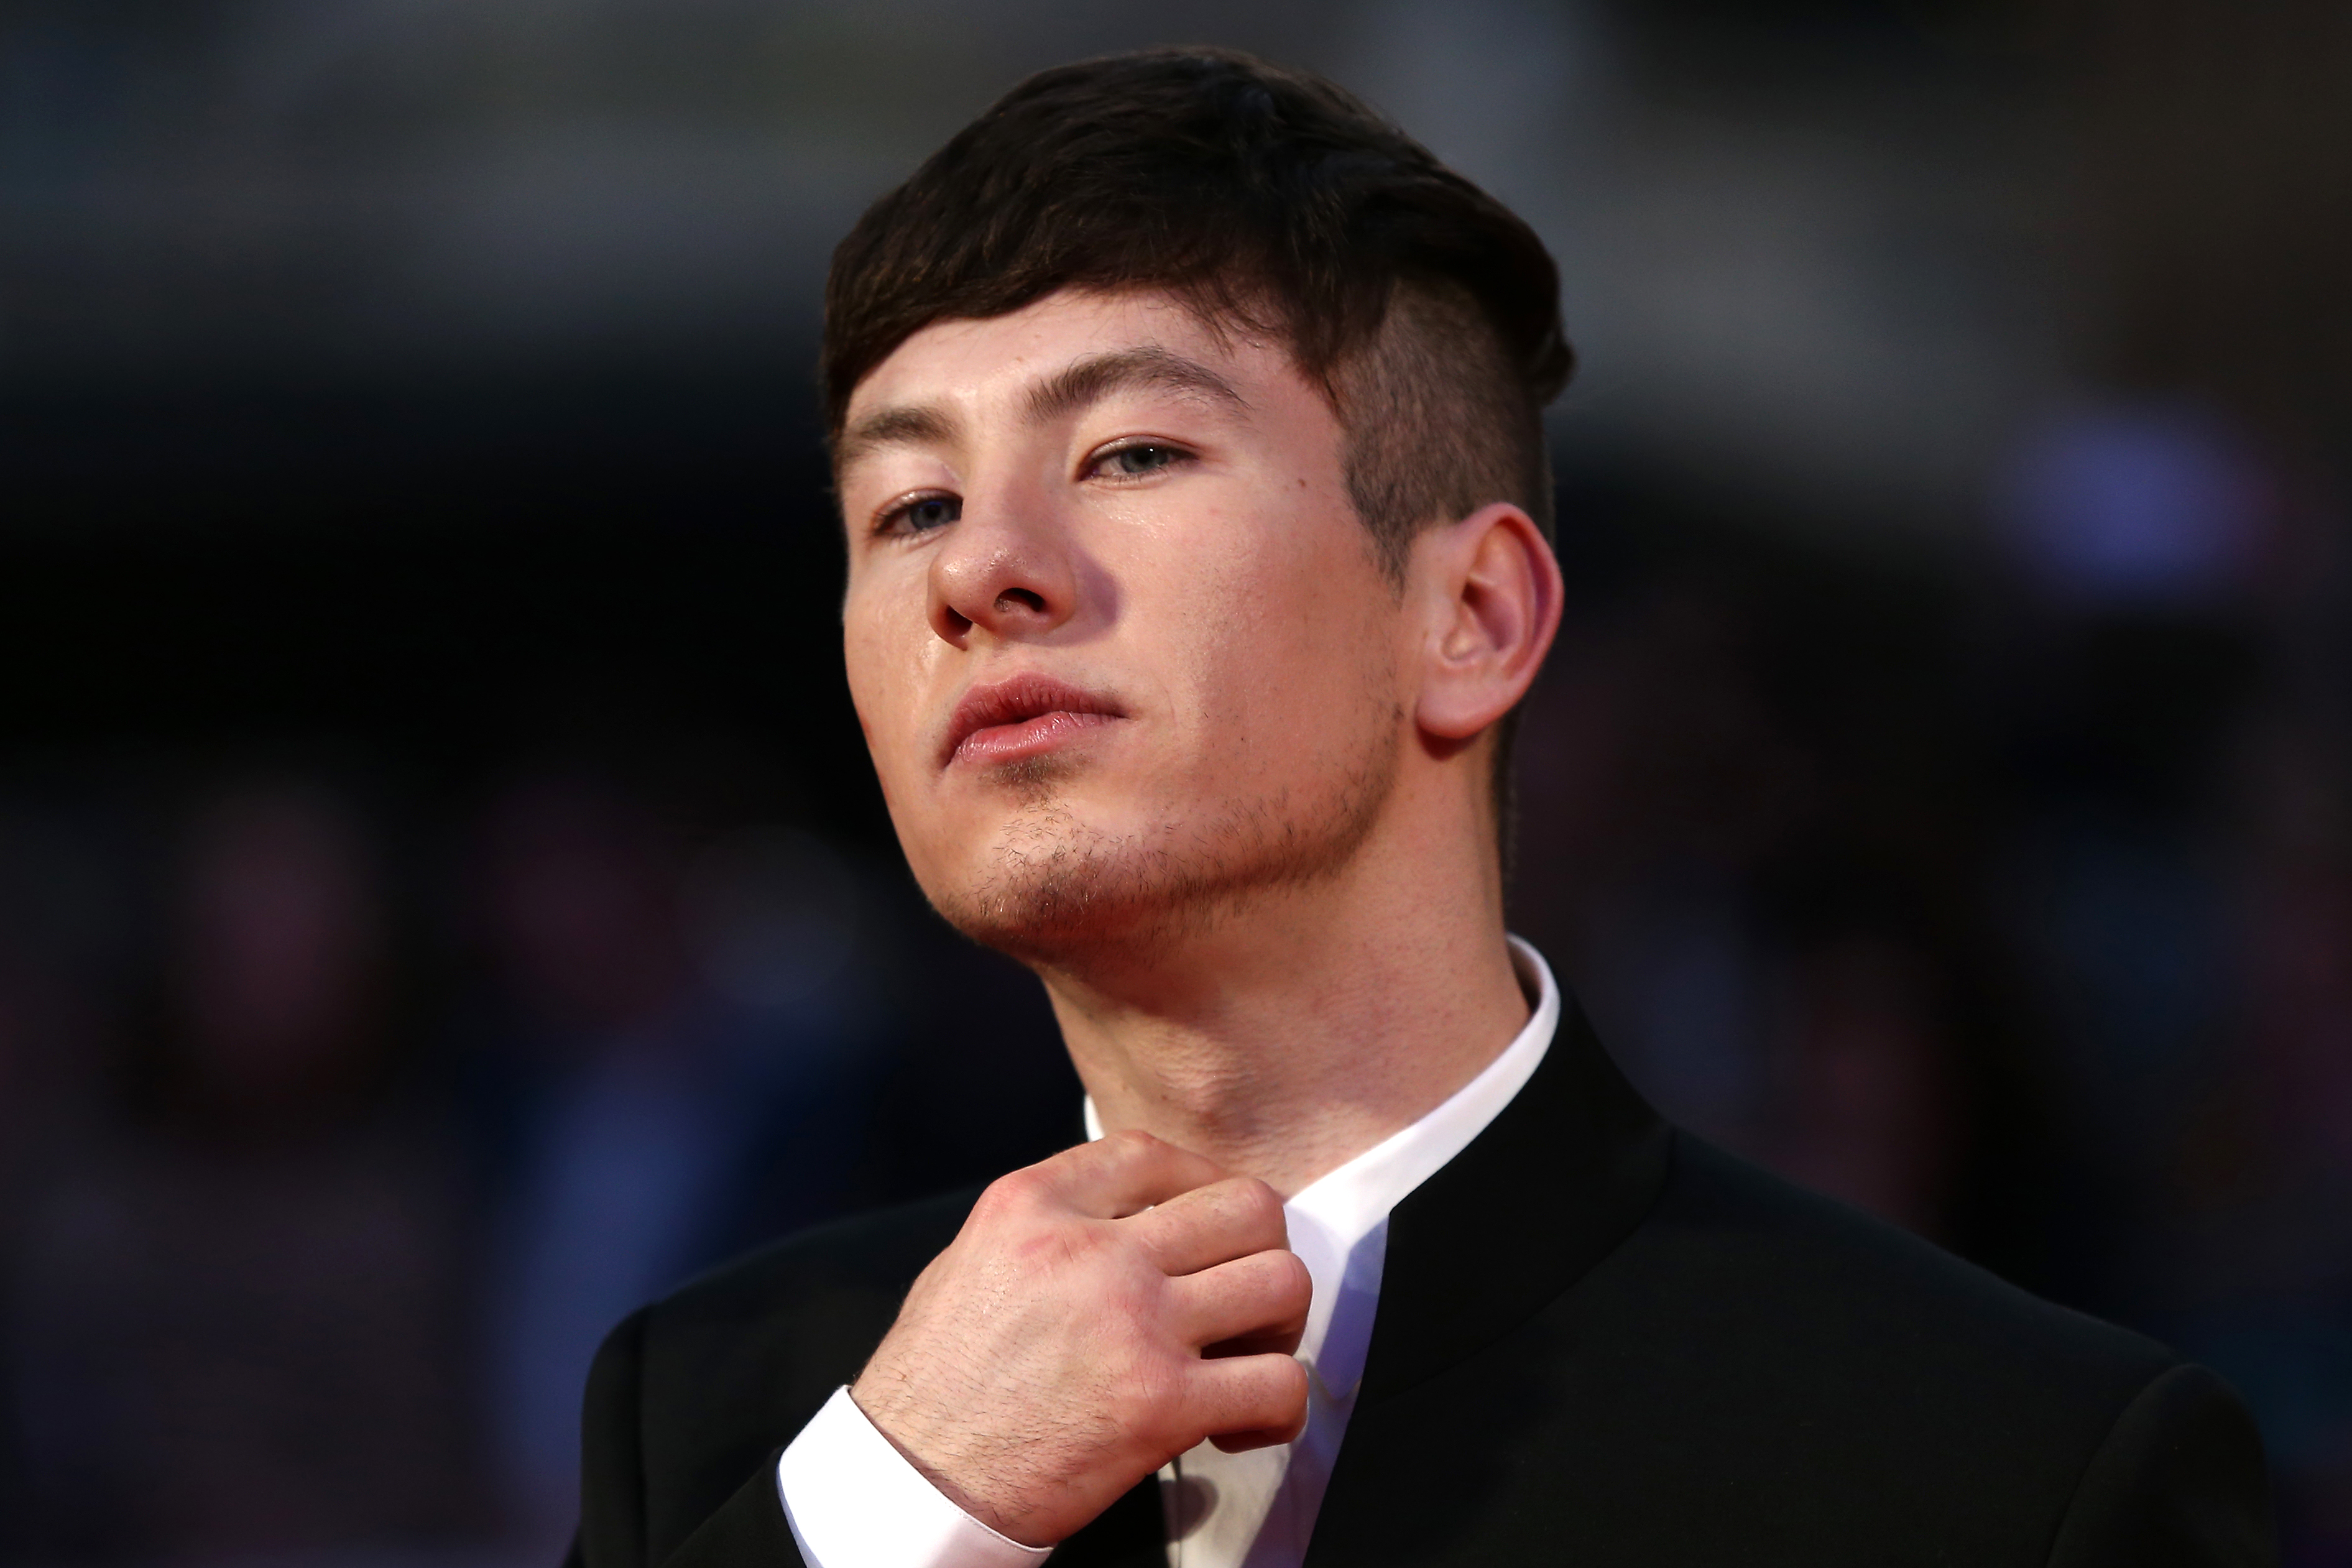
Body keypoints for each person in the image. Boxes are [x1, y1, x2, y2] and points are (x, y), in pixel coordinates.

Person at [570, 48, 2272, 1568]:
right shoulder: (736, 1418)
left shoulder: (2003, 1472)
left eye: (1131, 454)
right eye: (912, 500)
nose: (981, 571)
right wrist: (902, 1506)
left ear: (1472, 620)